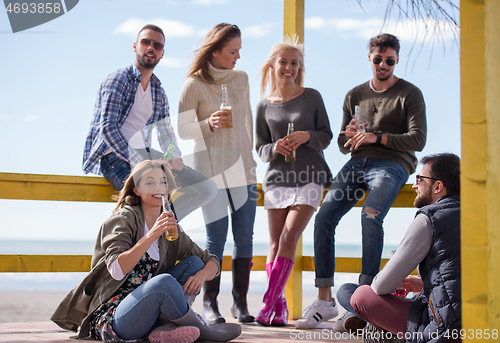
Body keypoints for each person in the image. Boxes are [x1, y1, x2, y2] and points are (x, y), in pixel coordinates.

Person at [296, 33, 427, 330]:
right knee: (324, 218)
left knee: (371, 216)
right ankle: (325, 300)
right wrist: (351, 134)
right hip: (356, 162)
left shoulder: (410, 93)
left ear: (397, 59)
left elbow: (418, 138)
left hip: (393, 164)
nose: (383, 65)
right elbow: (343, 146)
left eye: (390, 60)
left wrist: (377, 136)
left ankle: (365, 300)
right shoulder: (354, 94)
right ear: (369, 58)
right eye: (378, 59)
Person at [51, 160, 241, 343]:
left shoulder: (170, 228)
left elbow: (212, 262)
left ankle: (163, 328)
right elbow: (116, 269)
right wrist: (152, 235)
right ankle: (203, 331)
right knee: (164, 282)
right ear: (136, 189)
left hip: (150, 311)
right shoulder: (122, 220)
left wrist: (201, 276)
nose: (158, 188)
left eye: (163, 182)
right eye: (150, 182)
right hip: (117, 316)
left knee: (195, 264)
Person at [82, 24, 217, 222]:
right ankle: (151, 231)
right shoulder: (118, 80)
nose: (151, 48)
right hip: (114, 155)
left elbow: (166, 133)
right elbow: (108, 130)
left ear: (162, 53)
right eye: (146, 42)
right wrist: (142, 163)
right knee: (142, 203)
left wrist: (173, 157)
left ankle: (161, 225)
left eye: (157, 45)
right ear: (135, 46)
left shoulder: (157, 90)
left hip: (144, 155)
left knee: (206, 188)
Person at [178, 23, 257, 325]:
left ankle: (240, 301)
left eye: (239, 51)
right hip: (210, 174)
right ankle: (210, 302)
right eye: (233, 52)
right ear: (215, 51)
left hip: (243, 171)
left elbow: (247, 121)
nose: (238, 57)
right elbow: (183, 130)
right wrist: (208, 123)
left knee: (245, 239)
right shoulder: (193, 84)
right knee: (216, 241)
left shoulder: (242, 79)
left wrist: (250, 162)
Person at [336, 153, 461, 343]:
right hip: (475, 323)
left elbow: (381, 286)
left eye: (420, 179)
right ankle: (381, 329)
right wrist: (420, 284)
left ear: (438, 186)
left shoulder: (430, 218)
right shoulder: (480, 214)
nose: (414, 185)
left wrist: (397, 281)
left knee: (357, 294)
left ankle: (386, 332)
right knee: (352, 291)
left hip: (441, 327)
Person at [254, 36, 333, 327]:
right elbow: (260, 148)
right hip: (276, 178)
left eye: (294, 63)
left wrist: (306, 136)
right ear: (273, 66)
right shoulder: (263, 105)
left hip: (309, 176)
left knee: (289, 237)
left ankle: (267, 305)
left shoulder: (312, 96)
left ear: (299, 68)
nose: (289, 67)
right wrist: (274, 148)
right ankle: (280, 308)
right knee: (274, 243)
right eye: (284, 62)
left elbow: (326, 135)